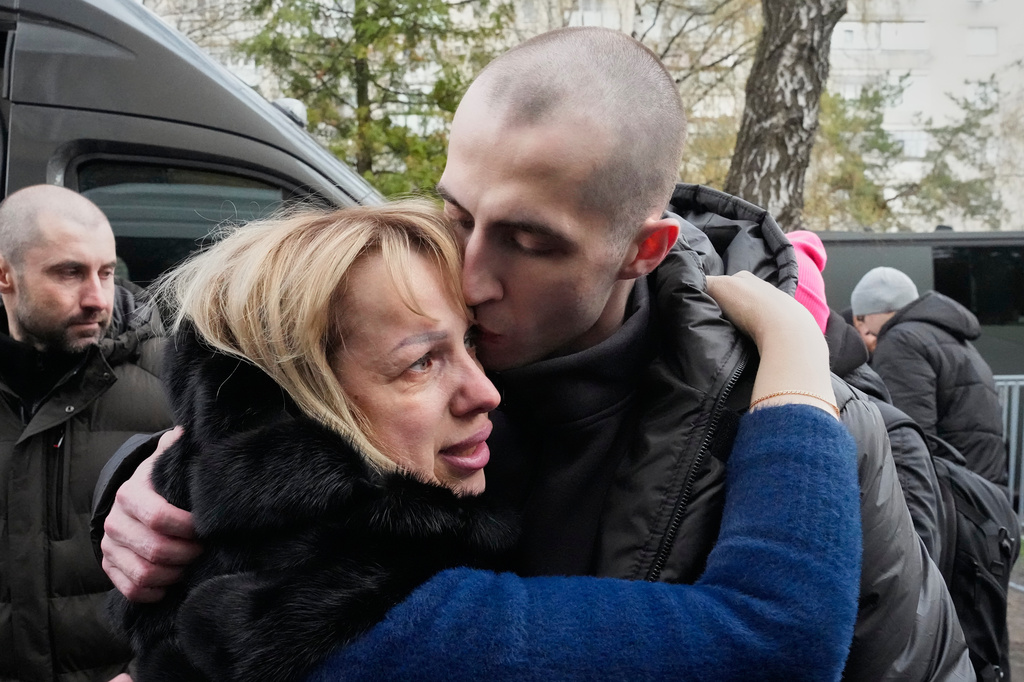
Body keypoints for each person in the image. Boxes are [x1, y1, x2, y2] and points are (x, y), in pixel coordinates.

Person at [95, 28, 974, 680]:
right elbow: (274, 432)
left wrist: (792, 360)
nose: (469, 277)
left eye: (528, 241)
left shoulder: (806, 425)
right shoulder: (400, 305)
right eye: (460, 214)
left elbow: (884, 657)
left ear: (645, 249)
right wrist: (146, 483)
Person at [109, 200, 861, 681]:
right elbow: (779, 637)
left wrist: (129, 478)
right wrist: (796, 353)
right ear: (300, 411)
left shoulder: (227, 547)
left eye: (469, 342)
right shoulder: (379, 629)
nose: (487, 392)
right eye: (421, 362)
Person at [0, 185, 174, 682]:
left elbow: (229, 564)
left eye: (105, 272)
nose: (97, 298)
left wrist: (155, 672)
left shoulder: (171, 382)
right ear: (5, 275)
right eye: (69, 273)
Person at [788, 230, 946, 564]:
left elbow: (910, 562)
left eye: (866, 324)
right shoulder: (942, 334)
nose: (866, 336)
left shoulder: (900, 350)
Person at [852, 265, 1008, 487]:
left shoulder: (900, 341)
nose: (860, 329)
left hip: (947, 497)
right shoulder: (954, 339)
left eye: (859, 319)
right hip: (981, 491)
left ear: (872, 314)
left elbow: (909, 442)